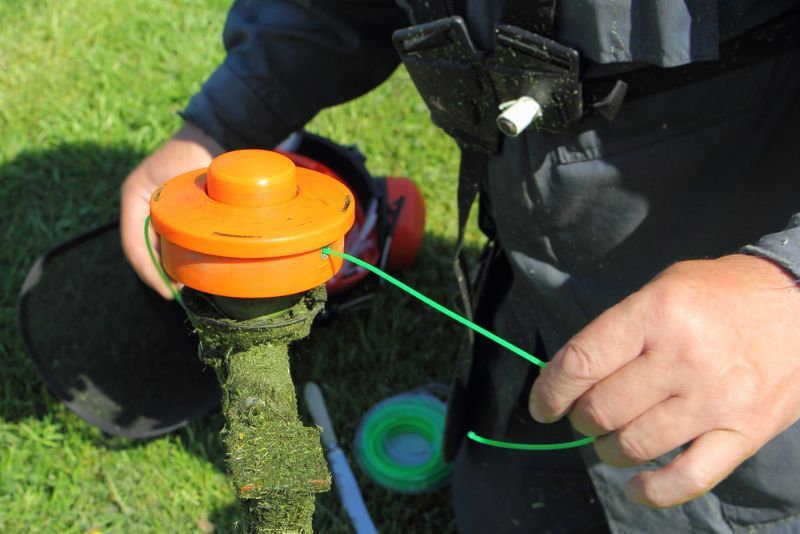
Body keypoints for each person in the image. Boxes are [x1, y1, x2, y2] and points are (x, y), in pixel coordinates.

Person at [121, 1, 800, 531]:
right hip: (534, 304)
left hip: (756, 370)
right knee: (505, 506)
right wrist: (222, 123)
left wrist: (784, 290)